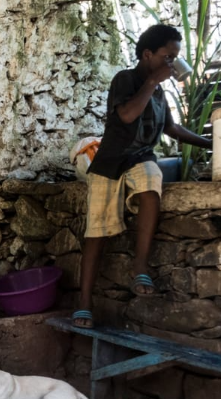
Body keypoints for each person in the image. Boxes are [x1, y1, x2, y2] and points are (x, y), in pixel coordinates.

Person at [72, 24, 212, 329]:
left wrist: (213, 143)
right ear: (148, 54)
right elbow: (126, 115)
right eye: (167, 56)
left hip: (141, 157)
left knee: (151, 184)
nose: (171, 64)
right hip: (110, 160)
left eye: (174, 58)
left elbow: (172, 129)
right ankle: (84, 303)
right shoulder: (127, 79)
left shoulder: (159, 91)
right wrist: (151, 81)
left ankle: (140, 268)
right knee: (96, 232)